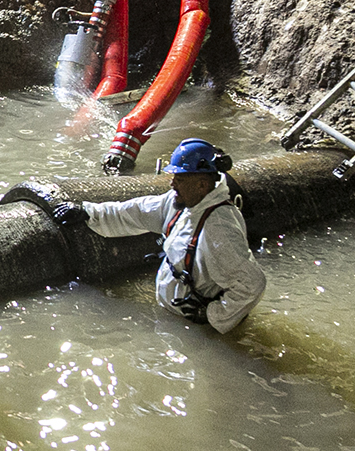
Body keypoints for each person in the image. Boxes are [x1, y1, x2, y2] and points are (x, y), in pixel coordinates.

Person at [51, 138, 266, 333]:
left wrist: (210, 315)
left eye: (179, 179)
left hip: (196, 329)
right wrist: (88, 211)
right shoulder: (186, 204)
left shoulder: (218, 228)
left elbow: (252, 284)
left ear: (202, 184)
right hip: (173, 317)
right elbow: (136, 211)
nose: (172, 184)